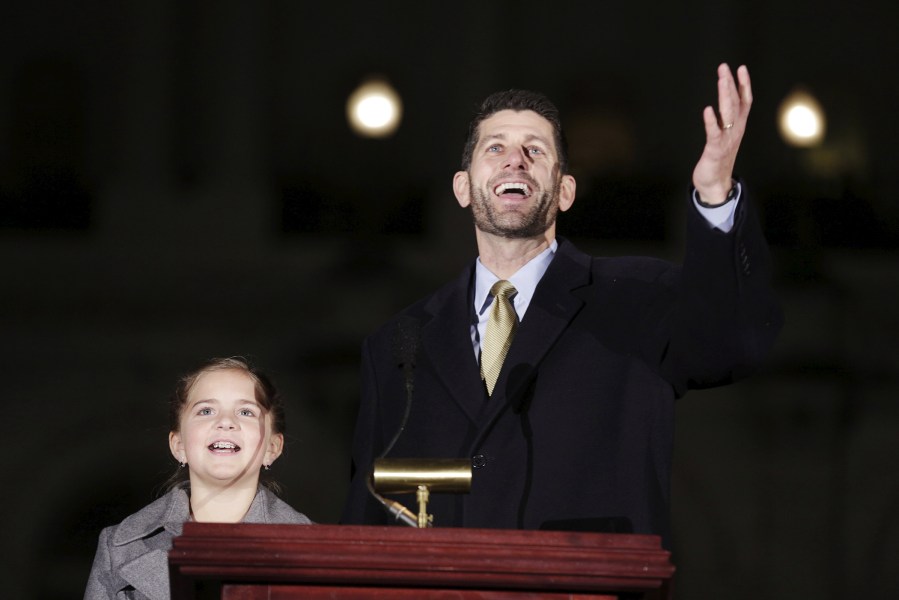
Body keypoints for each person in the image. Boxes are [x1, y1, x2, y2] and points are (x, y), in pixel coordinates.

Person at [341, 64, 782, 547]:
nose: (515, 161)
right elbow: (368, 515)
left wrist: (716, 196)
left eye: (535, 150)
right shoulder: (400, 343)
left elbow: (729, 345)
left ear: (565, 191)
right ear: (463, 188)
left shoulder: (633, 297)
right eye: (496, 148)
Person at [84, 357, 312, 600]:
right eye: (206, 411)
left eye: (246, 411)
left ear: (272, 448)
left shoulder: (312, 549)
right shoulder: (119, 545)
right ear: (178, 444)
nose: (225, 422)